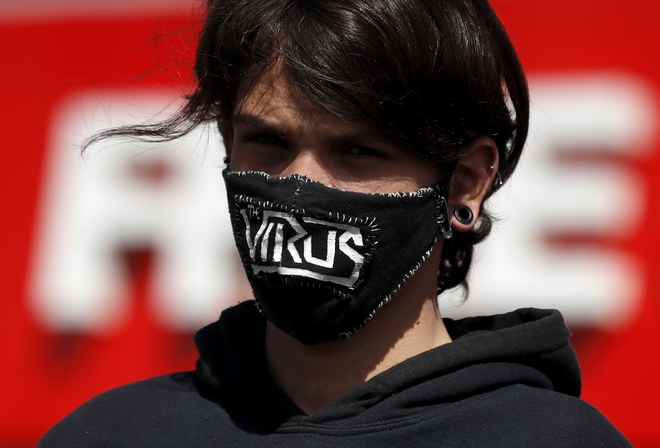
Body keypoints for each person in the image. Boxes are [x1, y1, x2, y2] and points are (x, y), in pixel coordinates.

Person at [39, 0, 631, 446]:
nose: (301, 186)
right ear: (227, 144)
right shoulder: (105, 435)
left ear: (467, 182)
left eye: (357, 152)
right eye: (268, 141)